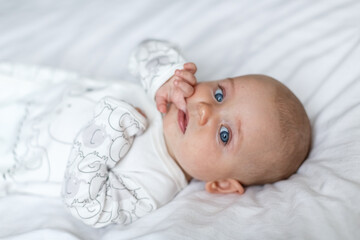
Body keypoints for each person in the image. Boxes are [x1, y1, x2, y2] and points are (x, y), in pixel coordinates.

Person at [61, 39, 311, 227]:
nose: (204, 109)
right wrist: (167, 76)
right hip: (49, 93)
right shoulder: (168, 95)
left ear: (222, 184)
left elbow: (85, 205)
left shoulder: (151, 188)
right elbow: (144, 50)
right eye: (219, 94)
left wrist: (109, 128)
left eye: (224, 135)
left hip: (26, 154)